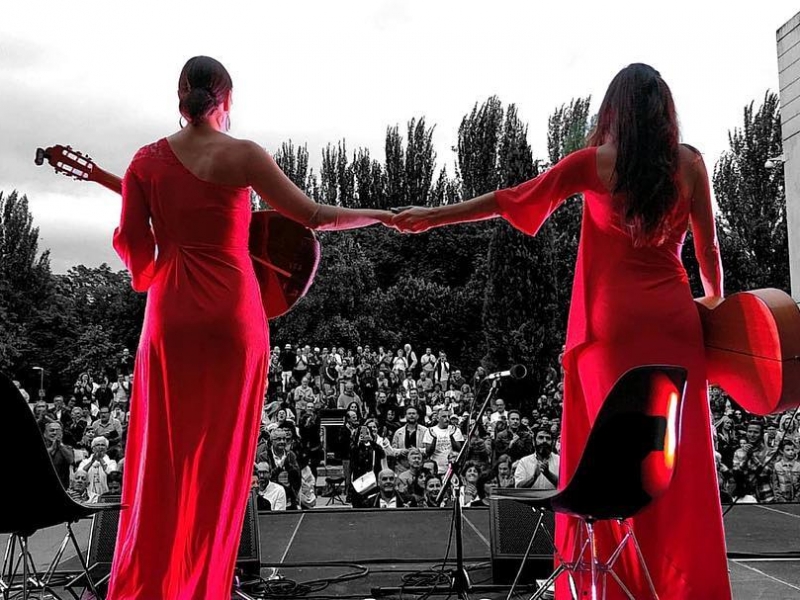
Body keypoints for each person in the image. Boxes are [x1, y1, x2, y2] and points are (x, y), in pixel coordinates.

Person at [393, 63, 729, 598]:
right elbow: (708, 251)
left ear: (614, 110)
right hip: (676, 325)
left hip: (611, 332)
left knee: (610, 462)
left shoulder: (595, 164)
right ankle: (684, 585)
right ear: (664, 111)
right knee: (676, 461)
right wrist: (715, 306)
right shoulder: (690, 165)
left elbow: (512, 199)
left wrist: (433, 216)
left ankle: (616, 584)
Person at [107, 55, 394, 600]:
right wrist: (383, 215)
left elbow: (140, 263)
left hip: (171, 317)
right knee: (219, 467)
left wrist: (154, 250)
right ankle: (204, 586)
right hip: (233, 318)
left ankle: (152, 585)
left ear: (180, 96)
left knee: (161, 461)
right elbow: (313, 217)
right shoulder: (244, 155)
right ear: (227, 100)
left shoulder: (144, 161)